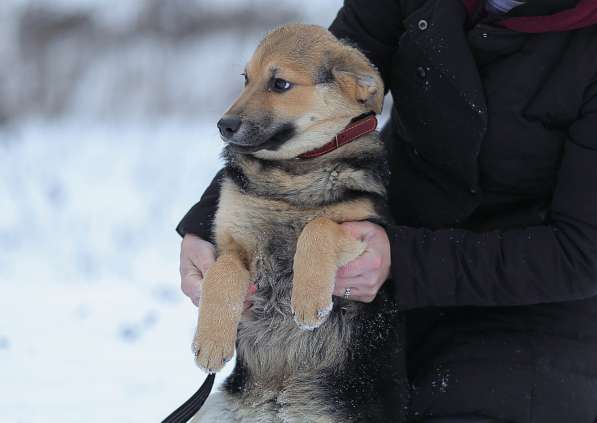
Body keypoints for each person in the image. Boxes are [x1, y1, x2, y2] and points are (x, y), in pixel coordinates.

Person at [177, 1, 597, 422]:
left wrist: (400, 258)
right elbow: (321, 101)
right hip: (375, 269)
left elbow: (583, 254)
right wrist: (207, 226)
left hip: (525, 304)